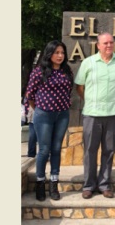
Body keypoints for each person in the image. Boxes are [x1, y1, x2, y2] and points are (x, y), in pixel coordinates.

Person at [74, 32, 115, 200]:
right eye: (105, 43)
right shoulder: (88, 63)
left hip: (113, 114)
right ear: (98, 45)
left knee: (109, 151)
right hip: (92, 114)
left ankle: (105, 185)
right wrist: (91, 100)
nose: (109, 45)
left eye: (111, 42)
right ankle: (89, 186)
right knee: (90, 151)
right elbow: (79, 86)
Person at [25, 40, 74, 201]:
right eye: (56, 53)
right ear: (49, 53)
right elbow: (30, 95)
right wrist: (40, 108)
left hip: (62, 115)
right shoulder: (39, 71)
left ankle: (54, 183)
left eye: (62, 53)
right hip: (44, 115)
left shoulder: (67, 71)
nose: (60, 56)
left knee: (57, 149)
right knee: (44, 150)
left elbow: (69, 91)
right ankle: (40, 182)